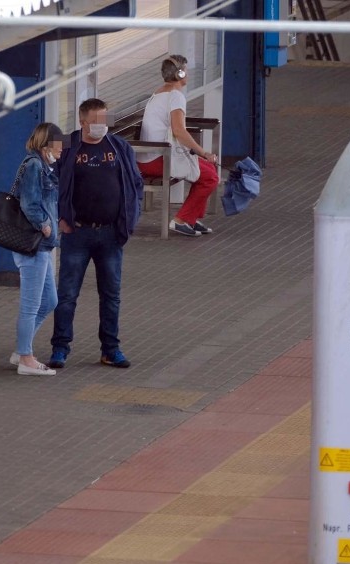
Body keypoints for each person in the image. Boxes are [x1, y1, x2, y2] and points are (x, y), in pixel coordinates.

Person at [48, 98, 144, 369]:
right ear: (82, 122)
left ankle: (111, 349)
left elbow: (135, 184)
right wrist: (61, 218)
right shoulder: (65, 143)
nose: (103, 126)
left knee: (111, 295)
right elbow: (48, 180)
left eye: (105, 120)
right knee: (67, 294)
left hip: (111, 235)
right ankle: (60, 348)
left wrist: (129, 220)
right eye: (97, 121)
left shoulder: (119, 146)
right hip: (77, 234)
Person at [137, 54, 220, 237]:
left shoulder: (159, 93)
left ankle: (190, 218)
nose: (188, 75)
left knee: (207, 170)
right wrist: (203, 152)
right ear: (181, 74)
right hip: (158, 159)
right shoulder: (175, 96)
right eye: (187, 72)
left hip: (149, 156)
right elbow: (179, 131)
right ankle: (181, 220)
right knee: (210, 177)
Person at [9, 122, 64, 376]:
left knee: (50, 300)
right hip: (33, 245)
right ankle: (26, 359)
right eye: (58, 144)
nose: (62, 149)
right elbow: (30, 203)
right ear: (45, 146)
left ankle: (22, 349)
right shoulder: (34, 166)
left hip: (43, 246)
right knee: (30, 306)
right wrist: (45, 226)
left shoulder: (44, 166)